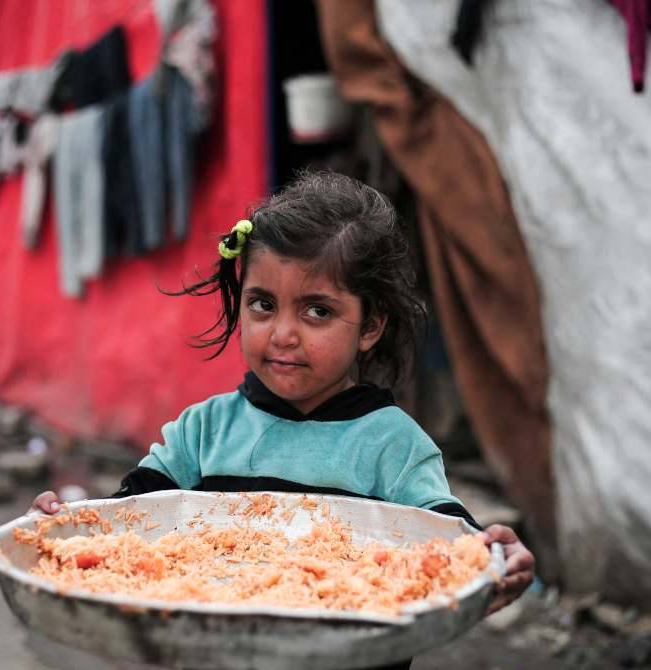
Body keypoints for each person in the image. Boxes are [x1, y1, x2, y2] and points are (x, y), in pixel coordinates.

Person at [31, 171, 536, 653]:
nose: (282, 334)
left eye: (318, 310)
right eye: (263, 305)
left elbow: (448, 548)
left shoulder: (392, 447)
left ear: (369, 327)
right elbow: (127, 523)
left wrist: (492, 554)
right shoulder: (202, 432)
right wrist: (66, 530)